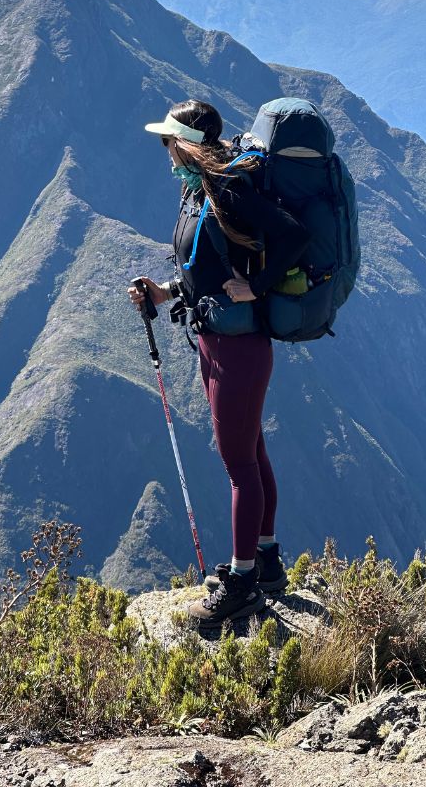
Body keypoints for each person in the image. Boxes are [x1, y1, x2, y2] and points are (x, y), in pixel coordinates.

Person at [128, 99, 310, 625]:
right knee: (250, 452)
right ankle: (268, 564)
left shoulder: (228, 187)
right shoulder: (195, 190)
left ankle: (243, 583)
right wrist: (162, 293)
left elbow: (293, 236)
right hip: (216, 340)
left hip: (240, 348)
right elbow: (202, 270)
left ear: (184, 143)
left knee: (238, 465)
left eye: (168, 141)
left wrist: (256, 285)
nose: (163, 151)